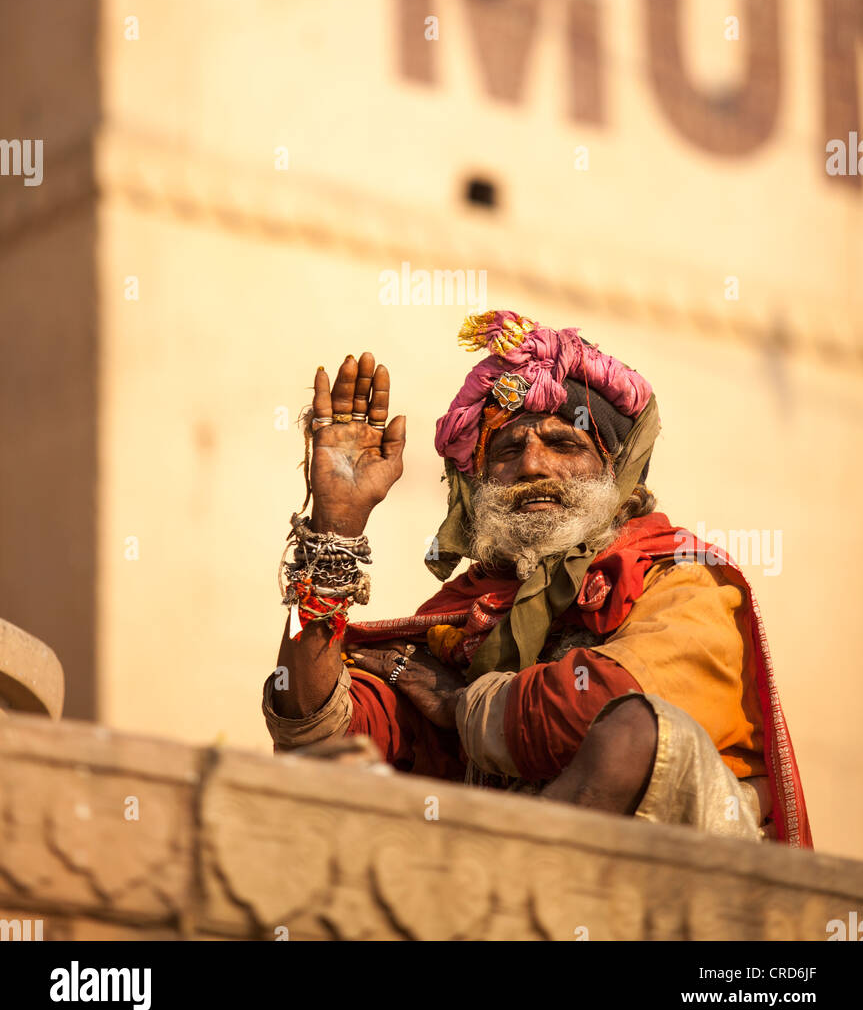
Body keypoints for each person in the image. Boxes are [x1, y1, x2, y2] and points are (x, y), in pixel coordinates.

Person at [262, 310, 811, 847]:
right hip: (502, 905)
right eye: (507, 450)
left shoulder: (681, 579)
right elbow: (316, 732)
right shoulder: (463, 616)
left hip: (683, 892)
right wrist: (334, 528)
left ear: (614, 471)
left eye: (564, 443)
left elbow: (601, 706)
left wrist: (459, 705)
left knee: (633, 732)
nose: (531, 466)